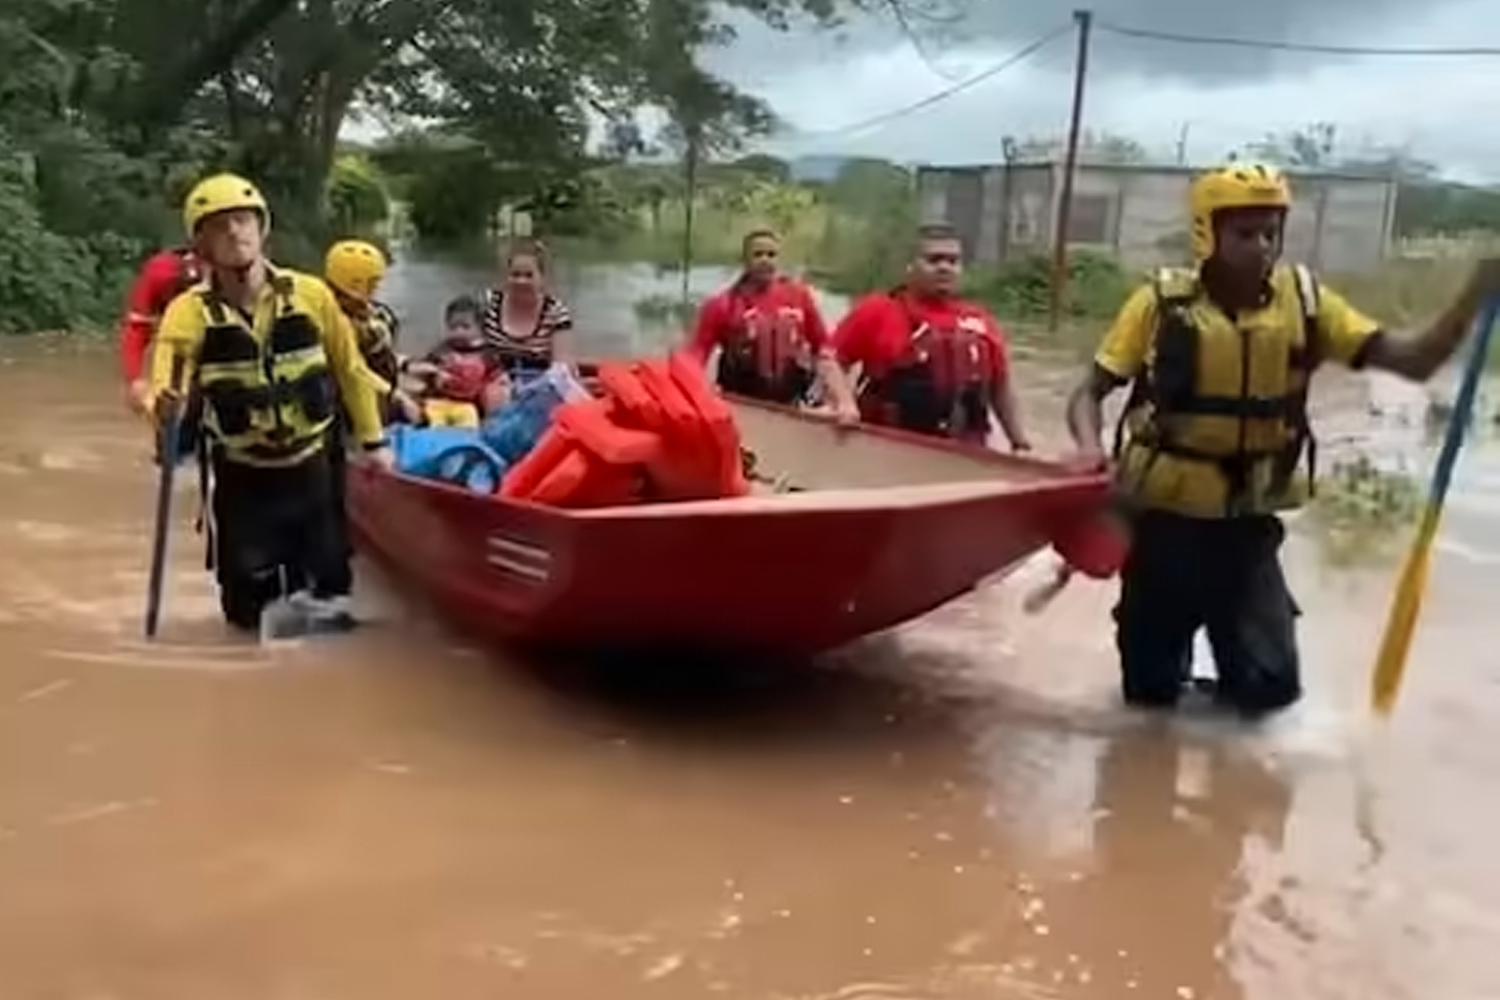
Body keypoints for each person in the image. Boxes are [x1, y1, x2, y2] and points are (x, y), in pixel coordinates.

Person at [1064, 162, 1500, 717]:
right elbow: (1088, 392)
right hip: (1162, 520)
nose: (1261, 247)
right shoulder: (1159, 303)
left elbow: (1414, 361)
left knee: (1270, 692)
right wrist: (1088, 447)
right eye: (1245, 234)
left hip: (1247, 527)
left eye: (1271, 233)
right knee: (1148, 700)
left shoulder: (1309, 304)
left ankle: (1226, 726)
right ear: (1208, 234)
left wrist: (1470, 297)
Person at [148, 172, 395, 633]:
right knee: (245, 611)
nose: (235, 233)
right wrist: (162, 404)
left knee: (328, 594)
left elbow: (351, 371)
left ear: (262, 229)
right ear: (201, 245)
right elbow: (167, 372)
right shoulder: (189, 312)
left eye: (242, 221)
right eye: (219, 226)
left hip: (312, 462)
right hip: (242, 470)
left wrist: (374, 441)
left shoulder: (312, 295)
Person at [832, 223, 1031, 450]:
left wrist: (1019, 441)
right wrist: (844, 403)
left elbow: (1000, 387)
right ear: (910, 265)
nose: (944, 267)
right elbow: (830, 359)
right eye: (934, 260)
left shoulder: (981, 321)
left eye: (953, 261)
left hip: (965, 453)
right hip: (887, 448)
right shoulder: (877, 311)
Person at [685, 228, 859, 423]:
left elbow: (824, 353)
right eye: (758, 254)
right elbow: (696, 356)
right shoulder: (721, 306)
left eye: (771, 254)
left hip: (790, 407)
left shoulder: (799, 297)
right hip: (739, 407)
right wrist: (694, 393)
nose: (765, 259)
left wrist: (845, 401)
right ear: (745, 260)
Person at [119, 245, 204, 457]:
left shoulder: (244, 268)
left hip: (226, 351)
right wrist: (135, 379)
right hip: (178, 355)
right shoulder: (161, 270)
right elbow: (138, 328)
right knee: (169, 423)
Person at [478, 238, 573, 380]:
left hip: (539, 382)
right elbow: (464, 344)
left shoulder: (555, 312)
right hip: (494, 379)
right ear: (506, 276)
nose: (521, 281)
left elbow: (562, 368)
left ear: (542, 278)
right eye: (515, 275)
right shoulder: (488, 303)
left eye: (529, 275)